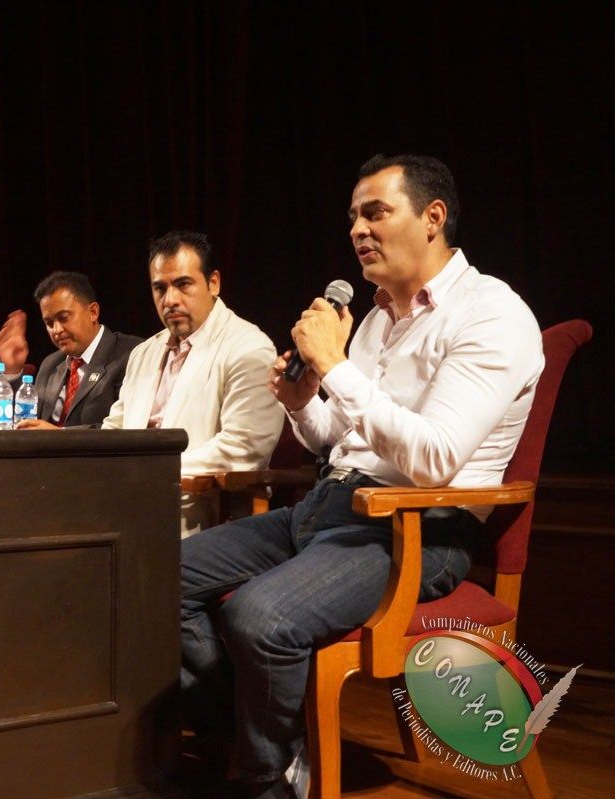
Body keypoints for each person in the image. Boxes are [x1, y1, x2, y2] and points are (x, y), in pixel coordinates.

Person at [179, 155, 544, 798]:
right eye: (352, 217)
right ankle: (262, 736)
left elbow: (434, 459)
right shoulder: (377, 316)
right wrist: (303, 402)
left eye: (375, 212)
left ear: (432, 218)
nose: (357, 230)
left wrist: (336, 366)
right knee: (158, 577)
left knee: (263, 618)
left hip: (418, 528)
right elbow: (342, 441)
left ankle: (267, 779)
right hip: (330, 505)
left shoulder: (492, 313)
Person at [104, 231, 284, 535]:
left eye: (183, 284)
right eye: (160, 288)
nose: (170, 300)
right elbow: (115, 430)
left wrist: (151, 473)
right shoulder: (143, 353)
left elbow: (242, 449)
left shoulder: (250, 348)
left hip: (202, 514)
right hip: (126, 504)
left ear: (213, 283)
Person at [0, 271, 142, 428]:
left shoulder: (133, 354)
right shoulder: (51, 364)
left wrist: (60, 435)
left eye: (64, 318)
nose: (56, 330)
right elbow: (25, 421)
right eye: (49, 323)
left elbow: (126, 426)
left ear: (93, 312)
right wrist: (12, 370)